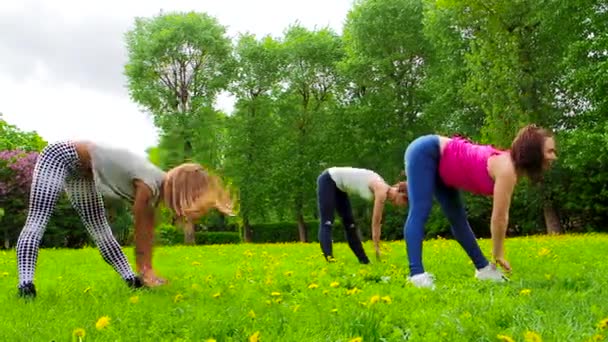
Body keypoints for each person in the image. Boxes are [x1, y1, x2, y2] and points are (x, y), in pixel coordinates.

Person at [15, 140, 234, 298]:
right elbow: (142, 231)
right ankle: (26, 285)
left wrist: (146, 270)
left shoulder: (155, 187)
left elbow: (149, 230)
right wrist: (146, 270)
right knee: (38, 219)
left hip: (84, 172)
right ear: (182, 193)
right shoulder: (148, 186)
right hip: (60, 156)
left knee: (100, 230)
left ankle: (132, 281)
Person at [402, 124, 557, 288]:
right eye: (550, 151)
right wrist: (498, 253)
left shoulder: (510, 167)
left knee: (458, 219)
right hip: (426, 151)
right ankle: (416, 275)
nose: (553, 157)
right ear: (534, 153)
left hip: (445, 167)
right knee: (420, 210)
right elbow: (499, 219)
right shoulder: (507, 170)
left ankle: (483, 269)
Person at [316, 166, 408, 264]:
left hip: (340, 187)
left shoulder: (383, 190)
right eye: (405, 202)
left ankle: (364, 261)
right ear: (400, 193)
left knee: (350, 225)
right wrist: (376, 246)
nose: (403, 206)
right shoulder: (381, 190)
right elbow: (376, 222)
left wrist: (376, 244)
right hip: (329, 179)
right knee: (327, 222)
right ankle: (330, 260)